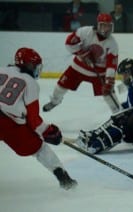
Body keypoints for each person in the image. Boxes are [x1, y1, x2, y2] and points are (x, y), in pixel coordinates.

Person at [0, 47, 77, 190]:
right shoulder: (30, 82)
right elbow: (34, 120)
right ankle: (63, 178)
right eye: (33, 65)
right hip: (8, 124)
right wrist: (49, 131)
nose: (35, 69)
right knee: (39, 147)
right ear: (24, 64)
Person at [43, 13, 122, 114]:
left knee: (108, 93)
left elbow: (111, 65)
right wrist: (82, 53)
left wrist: (109, 82)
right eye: (103, 25)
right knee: (61, 86)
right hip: (78, 67)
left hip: (99, 72)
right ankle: (54, 101)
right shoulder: (85, 32)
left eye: (109, 26)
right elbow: (69, 43)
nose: (106, 29)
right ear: (97, 25)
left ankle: (118, 112)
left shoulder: (112, 44)